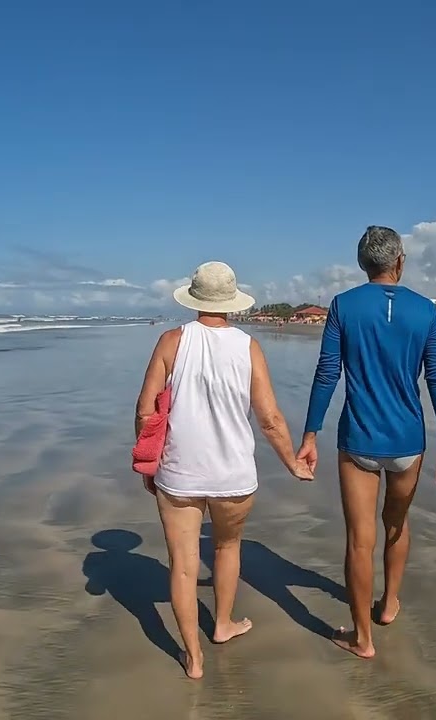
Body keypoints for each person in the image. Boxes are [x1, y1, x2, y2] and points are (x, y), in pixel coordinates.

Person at [134, 260, 314, 680]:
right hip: (234, 474)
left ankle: (193, 658)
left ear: (193, 298)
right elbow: (269, 418)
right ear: (232, 302)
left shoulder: (171, 341)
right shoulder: (248, 347)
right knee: (227, 548)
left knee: (183, 565)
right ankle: (222, 624)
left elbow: (146, 411)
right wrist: (292, 462)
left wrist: (147, 464)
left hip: (178, 473)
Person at [298, 226, 436, 660]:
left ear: (362, 263)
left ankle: (362, 639)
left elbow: (327, 373)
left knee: (359, 539)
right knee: (396, 524)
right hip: (408, 440)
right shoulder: (425, 310)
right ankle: (388, 604)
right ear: (400, 261)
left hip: (358, 439)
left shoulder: (343, 305)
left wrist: (310, 434)